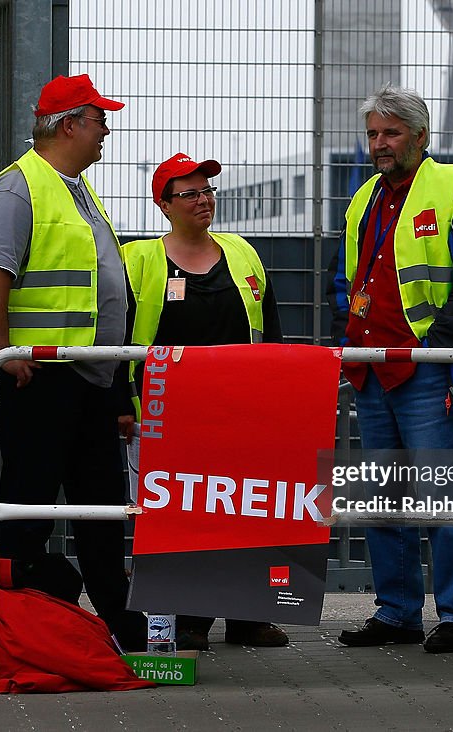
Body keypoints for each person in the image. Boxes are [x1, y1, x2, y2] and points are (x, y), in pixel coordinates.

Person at [0, 74, 145, 650]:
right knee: (28, 507)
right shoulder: (19, 189)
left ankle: (118, 623)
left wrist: (115, 391)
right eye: (99, 120)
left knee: (101, 507)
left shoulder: (74, 190)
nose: (107, 131)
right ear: (69, 125)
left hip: (87, 378)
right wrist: (4, 353)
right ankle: (19, 627)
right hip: (38, 378)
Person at [327, 84, 453, 653]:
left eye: (391, 133)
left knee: (443, 499)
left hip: (425, 370)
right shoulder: (363, 200)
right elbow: (345, 281)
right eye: (374, 133)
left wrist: (438, 352)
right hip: (372, 370)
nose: (380, 143)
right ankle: (397, 613)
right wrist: (351, 335)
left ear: (421, 137)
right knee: (383, 501)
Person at [120, 152, 289, 651]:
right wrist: (121, 404)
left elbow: (270, 328)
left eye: (207, 191)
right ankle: (189, 618)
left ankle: (247, 616)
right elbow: (117, 337)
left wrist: (279, 393)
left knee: (244, 511)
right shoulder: (140, 261)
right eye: (189, 193)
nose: (203, 200)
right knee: (181, 516)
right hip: (166, 412)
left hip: (241, 410)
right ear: (164, 205)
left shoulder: (241, 253)